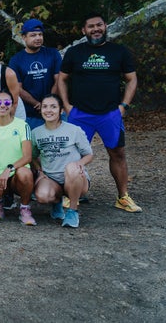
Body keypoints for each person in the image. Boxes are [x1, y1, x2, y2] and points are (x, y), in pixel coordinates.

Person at [57, 12, 141, 213]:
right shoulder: (75, 53)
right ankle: (71, 195)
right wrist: (67, 106)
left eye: (99, 25)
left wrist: (123, 107)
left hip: (110, 114)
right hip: (80, 114)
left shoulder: (119, 52)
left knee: (118, 153)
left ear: (105, 27)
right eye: (91, 26)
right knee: (72, 155)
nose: (96, 29)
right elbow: (62, 79)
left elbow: (132, 79)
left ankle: (122, 197)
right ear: (83, 30)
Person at [32, 94, 93, 228]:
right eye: (45, 107)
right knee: (42, 195)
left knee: (72, 168)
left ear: (61, 111)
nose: (49, 110)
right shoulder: (36, 133)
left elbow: (89, 155)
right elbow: (32, 155)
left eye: (53, 107)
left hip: (75, 178)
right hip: (52, 178)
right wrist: (39, 169)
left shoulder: (74, 130)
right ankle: (57, 202)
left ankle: (72, 211)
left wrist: (80, 165)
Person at [0, 90, 36, 225]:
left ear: (12, 106)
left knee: (25, 173)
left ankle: (24, 208)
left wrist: (9, 169)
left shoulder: (22, 125)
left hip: (16, 174)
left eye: (7, 102)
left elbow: (28, 157)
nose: (2, 105)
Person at [9, 18, 62, 129]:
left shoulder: (53, 54)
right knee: (32, 145)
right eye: (33, 35)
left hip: (54, 111)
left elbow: (58, 79)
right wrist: (37, 104)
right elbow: (18, 88)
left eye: (40, 35)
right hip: (30, 115)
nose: (38, 38)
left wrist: (49, 103)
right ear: (24, 37)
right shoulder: (16, 60)